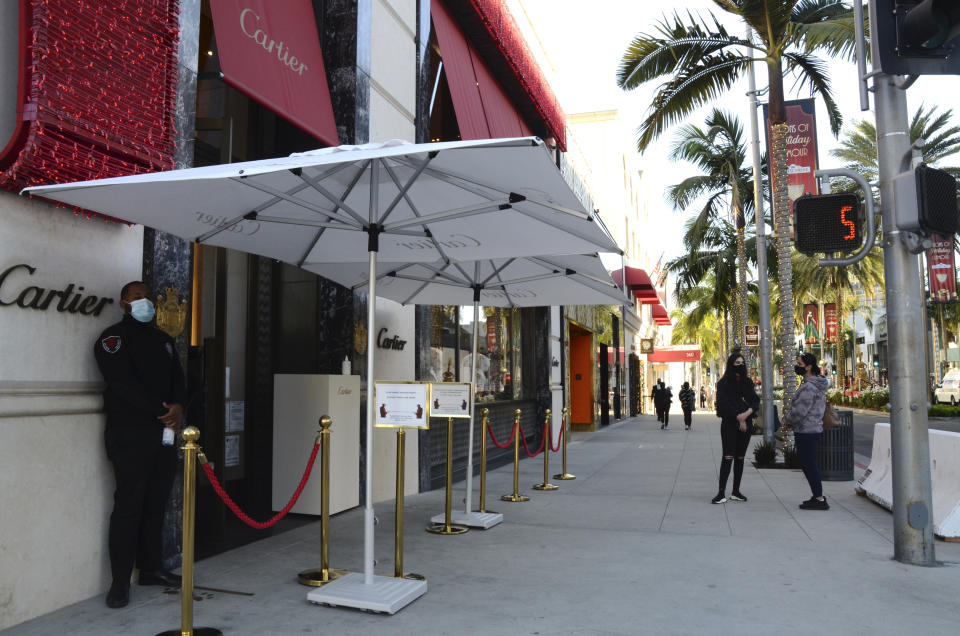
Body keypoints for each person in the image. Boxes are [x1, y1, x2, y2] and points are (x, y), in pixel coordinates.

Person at [94, 281, 186, 608]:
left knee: (156, 502)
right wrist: (161, 411)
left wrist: (177, 407)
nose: (145, 301)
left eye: (148, 297)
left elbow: (179, 379)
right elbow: (120, 383)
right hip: (130, 434)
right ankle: (120, 583)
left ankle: (151, 568)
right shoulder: (112, 339)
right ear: (124, 303)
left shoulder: (164, 340)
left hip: (163, 434)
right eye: (137, 297)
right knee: (128, 506)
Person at [712, 353, 759, 504]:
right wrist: (738, 417)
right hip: (729, 424)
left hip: (746, 423)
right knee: (728, 456)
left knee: (740, 457)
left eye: (742, 362)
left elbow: (754, 401)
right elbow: (723, 404)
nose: (740, 365)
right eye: (737, 362)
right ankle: (721, 492)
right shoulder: (724, 383)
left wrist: (745, 415)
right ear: (731, 364)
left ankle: (736, 491)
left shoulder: (747, 382)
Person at [785, 352, 830, 510]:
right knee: (808, 463)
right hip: (811, 428)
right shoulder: (812, 384)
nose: (797, 366)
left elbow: (800, 411)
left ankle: (819, 498)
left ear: (809, 367)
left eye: (800, 364)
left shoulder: (809, 387)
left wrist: (787, 420)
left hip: (806, 430)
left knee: (808, 464)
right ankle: (817, 496)